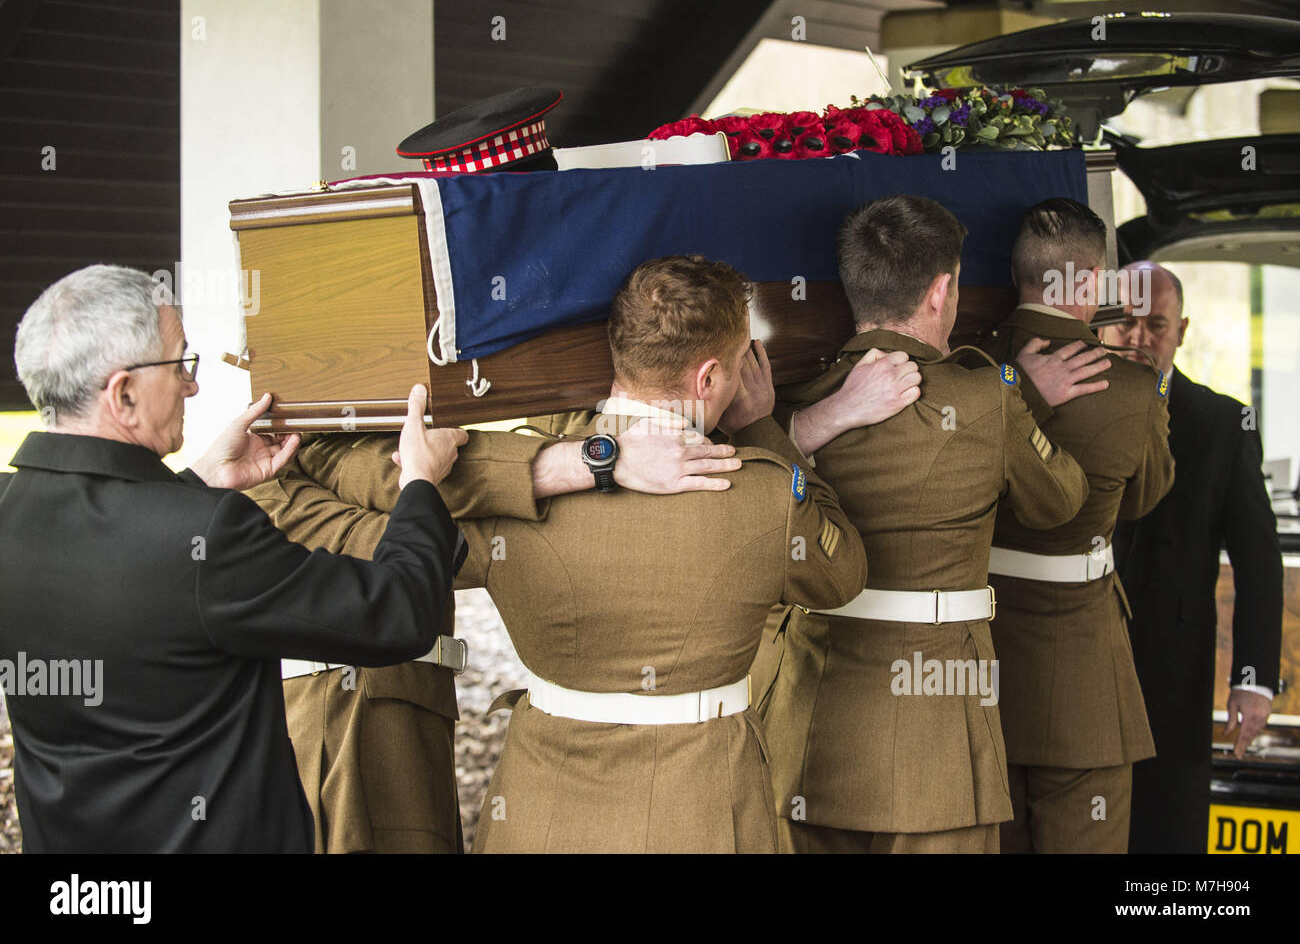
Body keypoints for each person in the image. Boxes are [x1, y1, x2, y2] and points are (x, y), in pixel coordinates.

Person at [266, 254, 936, 852]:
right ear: (708, 377)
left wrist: (530, 462)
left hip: (541, 811)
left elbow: (348, 474)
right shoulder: (760, 492)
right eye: (735, 369)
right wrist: (763, 425)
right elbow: (843, 572)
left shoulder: (505, 489)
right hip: (705, 809)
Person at [0, 264, 467, 853]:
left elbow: (124, 554)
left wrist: (196, 482)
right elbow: (397, 613)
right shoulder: (207, 539)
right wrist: (421, 483)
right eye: (179, 365)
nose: (192, 386)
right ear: (123, 393)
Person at [250, 408, 753, 853]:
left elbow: (386, 478)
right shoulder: (262, 472)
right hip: (336, 726)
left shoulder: (316, 444)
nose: (192, 383)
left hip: (394, 712)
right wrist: (601, 460)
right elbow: (399, 542)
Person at [759, 195, 1091, 854]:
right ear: (943, 290)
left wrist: (808, 427)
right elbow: (1059, 502)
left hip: (811, 720)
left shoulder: (788, 403)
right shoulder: (985, 394)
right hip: (936, 734)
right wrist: (1021, 405)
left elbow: (754, 478)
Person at [977, 199, 1176, 854]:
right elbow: (1146, 496)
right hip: (1083, 675)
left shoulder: (967, 369)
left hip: (978, 666)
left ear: (1017, 273)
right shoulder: (1130, 388)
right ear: (1091, 283)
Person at [1106, 261, 1282, 854]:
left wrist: (1253, 681)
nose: (1139, 338)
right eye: (1126, 322)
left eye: (1156, 324)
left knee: (1166, 829)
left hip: (1173, 667)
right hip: (1073, 656)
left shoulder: (1223, 424)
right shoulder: (1060, 408)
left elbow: (1259, 560)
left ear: (1182, 330)